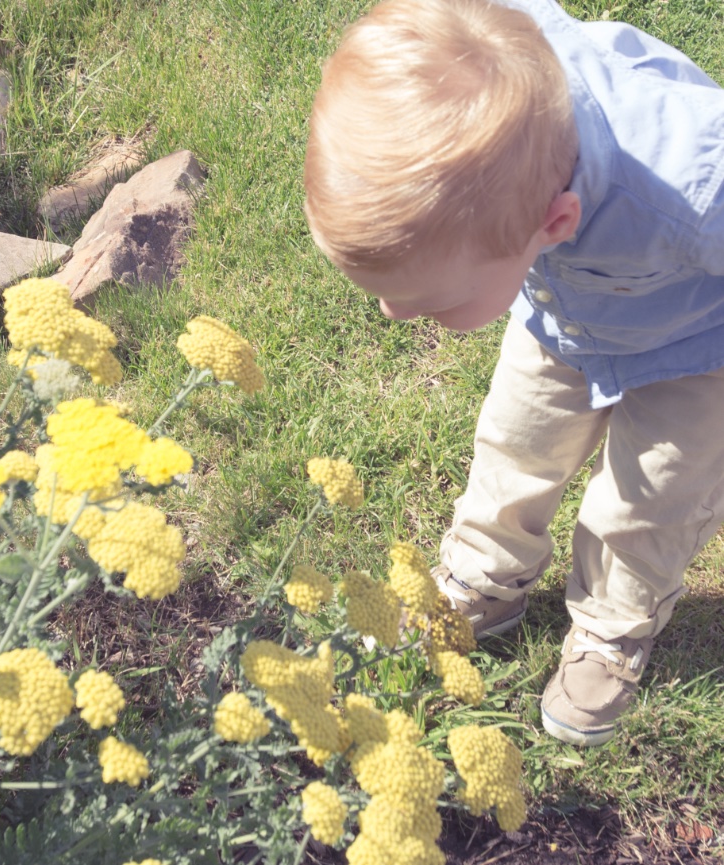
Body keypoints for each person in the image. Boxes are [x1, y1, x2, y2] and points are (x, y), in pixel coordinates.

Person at [303, 0, 724, 747]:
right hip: (566, 315)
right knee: (514, 442)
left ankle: (610, 629)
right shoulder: (494, 69)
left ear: (553, 224)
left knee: (651, 494)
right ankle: (483, 578)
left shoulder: (690, 188)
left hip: (695, 342)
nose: (391, 315)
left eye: (437, 302)